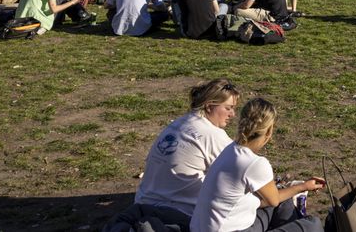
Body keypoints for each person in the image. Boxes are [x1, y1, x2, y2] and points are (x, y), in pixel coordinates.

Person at [191, 98, 325, 232]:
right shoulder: (255, 163)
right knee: (312, 224)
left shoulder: (229, 149)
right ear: (269, 131)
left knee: (283, 197)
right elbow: (274, 200)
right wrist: (304, 186)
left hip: (204, 227)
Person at [135, 80, 240, 218]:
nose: (232, 114)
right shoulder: (212, 134)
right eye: (228, 108)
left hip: (142, 204)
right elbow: (241, 173)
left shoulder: (179, 123)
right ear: (209, 106)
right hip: (179, 213)